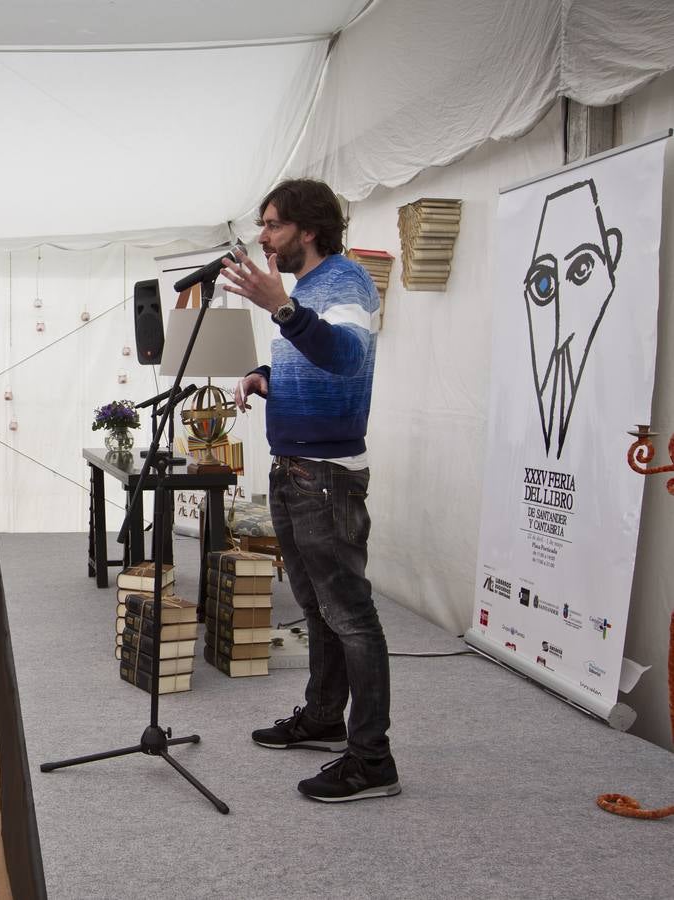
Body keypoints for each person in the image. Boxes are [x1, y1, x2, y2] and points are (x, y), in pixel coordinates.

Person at [221, 177, 397, 803]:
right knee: (316, 607)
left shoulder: (345, 281)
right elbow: (313, 363)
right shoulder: (305, 289)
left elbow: (347, 357)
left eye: (273, 225)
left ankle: (372, 760)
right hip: (295, 467)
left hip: (326, 475)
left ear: (309, 229)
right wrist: (265, 375)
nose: (264, 237)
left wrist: (283, 310)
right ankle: (324, 718)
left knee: (350, 616)